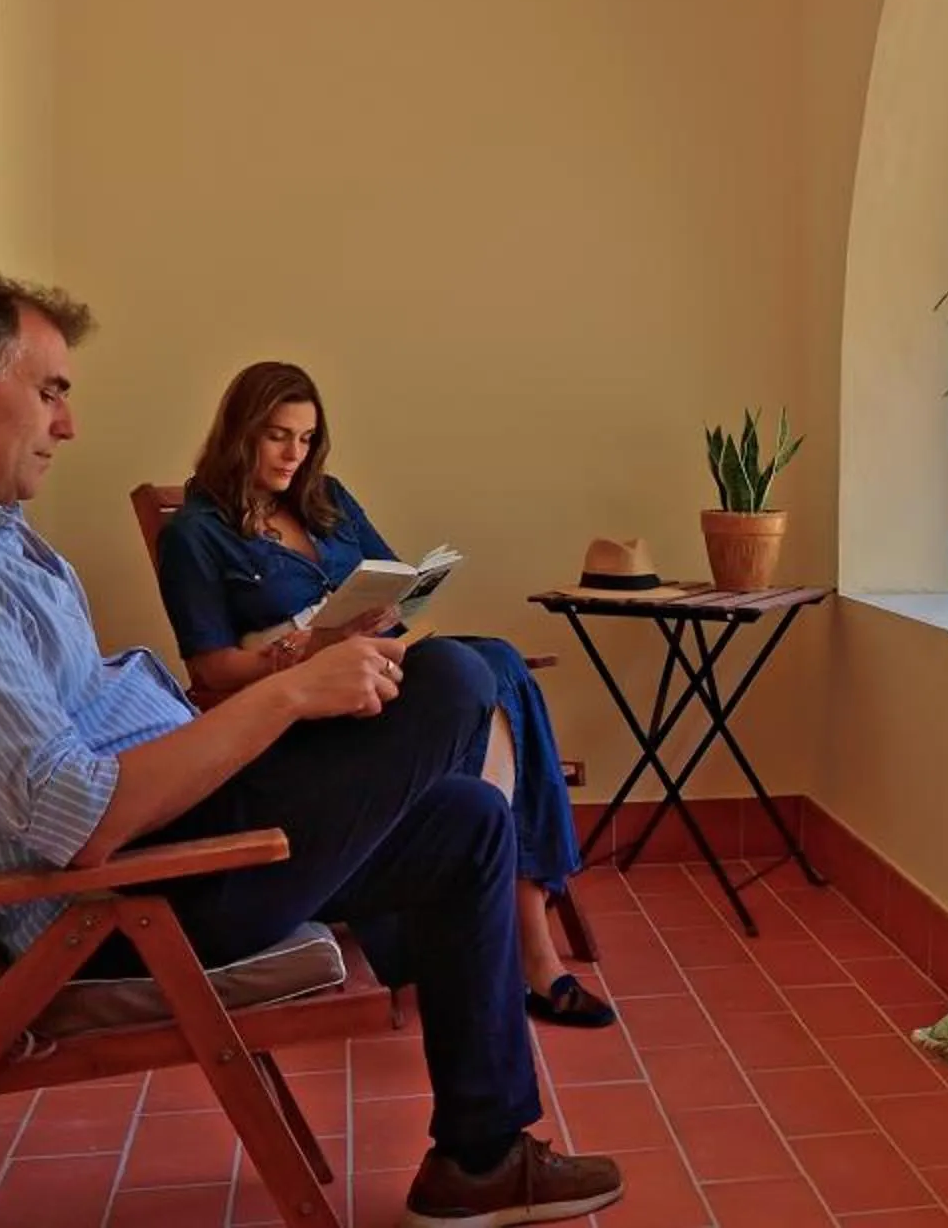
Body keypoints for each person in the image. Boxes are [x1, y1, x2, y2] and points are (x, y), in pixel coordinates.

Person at [0, 274, 622, 1225]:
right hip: (123, 904)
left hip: (169, 843)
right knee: (459, 679)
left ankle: (479, 1161)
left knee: (468, 816)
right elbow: (83, 818)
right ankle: (441, 967)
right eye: (52, 390)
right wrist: (293, 693)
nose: (67, 426)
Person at [152, 361, 613, 1030]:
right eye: (277, 436)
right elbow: (211, 669)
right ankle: (521, 951)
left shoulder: (328, 500)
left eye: (306, 439)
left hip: (377, 670)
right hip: (306, 705)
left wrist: (385, 611)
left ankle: (516, 941)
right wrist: (302, 650)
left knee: (500, 664)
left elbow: (397, 583)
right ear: (239, 434)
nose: (293, 454)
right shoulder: (196, 533)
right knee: (486, 673)